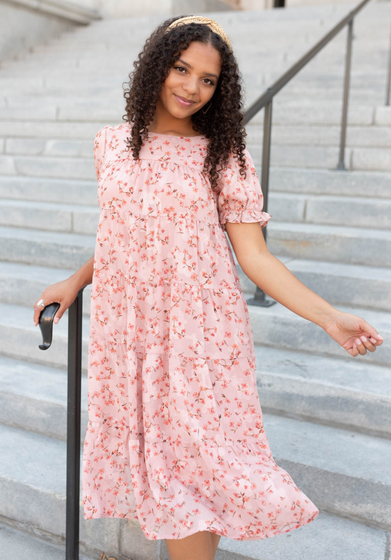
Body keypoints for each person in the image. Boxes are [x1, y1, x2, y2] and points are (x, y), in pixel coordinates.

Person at [33, 15, 384, 560]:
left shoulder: (223, 156)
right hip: (132, 330)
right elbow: (125, 233)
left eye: (208, 79)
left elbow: (256, 257)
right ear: (157, 64)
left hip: (199, 332)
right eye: (181, 69)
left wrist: (329, 317)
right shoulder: (110, 146)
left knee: (197, 466)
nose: (191, 88)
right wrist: (77, 280)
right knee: (168, 468)